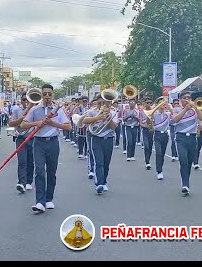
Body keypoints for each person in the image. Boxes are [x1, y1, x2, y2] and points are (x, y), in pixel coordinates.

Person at [21, 84, 72, 213]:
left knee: (51, 172)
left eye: (50, 94)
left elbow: (68, 127)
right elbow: (23, 124)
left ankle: (49, 199)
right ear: (41, 95)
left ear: (53, 94)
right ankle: (39, 202)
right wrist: (36, 123)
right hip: (38, 143)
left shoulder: (58, 110)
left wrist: (52, 123)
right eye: (45, 94)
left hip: (53, 142)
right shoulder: (34, 110)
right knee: (39, 171)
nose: (47, 96)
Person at [172, 91, 202, 195]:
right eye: (184, 98)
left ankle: (186, 182)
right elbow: (175, 120)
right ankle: (185, 184)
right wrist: (185, 109)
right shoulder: (176, 109)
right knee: (183, 161)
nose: (187, 99)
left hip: (192, 138)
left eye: (189, 98)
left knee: (189, 162)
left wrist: (195, 108)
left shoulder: (195, 109)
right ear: (180, 100)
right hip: (181, 138)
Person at [83, 94, 119, 194]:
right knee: (99, 162)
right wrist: (97, 117)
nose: (102, 105)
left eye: (105, 102)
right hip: (96, 138)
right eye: (100, 103)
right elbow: (85, 121)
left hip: (109, 138)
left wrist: (108, 117)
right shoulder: (93, 111)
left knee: (106, 163)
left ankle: (103, 182)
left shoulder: (113, 112)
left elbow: (113, 127)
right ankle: (98, 183)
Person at [9, 92, 35, 193]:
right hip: (20, 137)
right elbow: (11, 123)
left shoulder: (35, 110)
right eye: (24, 100)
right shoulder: (16, 109)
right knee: (22, 161)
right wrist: (23, 118)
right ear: (21, 100)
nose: (26, 102)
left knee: (30, 161)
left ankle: (29, 181)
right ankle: (21, 183)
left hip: (32, 137)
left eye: (28, 100)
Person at [152, 100, 173, 180]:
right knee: (158, 153)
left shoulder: (167, 114)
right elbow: (149, 119)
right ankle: (159, 171)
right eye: (160, 103)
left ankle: (160, 168)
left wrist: (167, 105)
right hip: (157, 134)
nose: (162, 104)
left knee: (162, 154)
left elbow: (174, 114)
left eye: (163, 103)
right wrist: (155, 108)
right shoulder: (154, 114)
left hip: (164, 135)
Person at [139, 97, 154, 170]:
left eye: (150, 103)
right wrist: (144, 125)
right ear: (144, 103)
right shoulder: (142, 112)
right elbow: (140, 122)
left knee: (150, 147)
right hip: (145, 130)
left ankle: (148, 159)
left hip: (151, 131)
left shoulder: (154, 111)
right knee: (146, 146)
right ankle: (147, 162)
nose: (149, 104)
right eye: (147, 102)